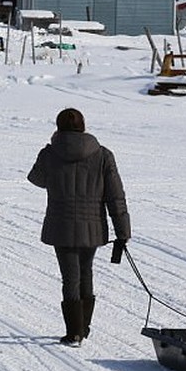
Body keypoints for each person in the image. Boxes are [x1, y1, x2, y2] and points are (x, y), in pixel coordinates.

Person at [27, 108, 131, 347]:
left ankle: (74, 333)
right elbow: (116, 196)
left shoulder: (50, 153)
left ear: (58, 126)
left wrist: (49, 156)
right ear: (83, 126)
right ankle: (82, 327)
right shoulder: (103, 154)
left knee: (70, 278)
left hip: (60, 225)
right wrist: (123, 231)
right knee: (86, 273)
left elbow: (36, 179)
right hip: (92, 225)